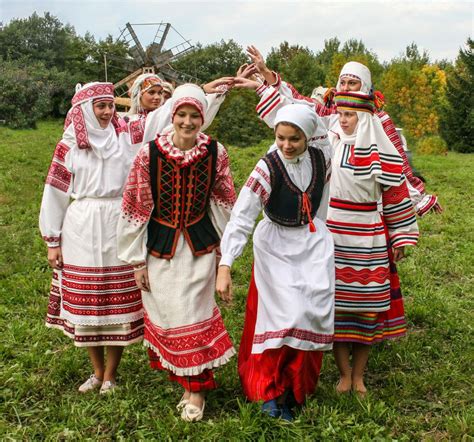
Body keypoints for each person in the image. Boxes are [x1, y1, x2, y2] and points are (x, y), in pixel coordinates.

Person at [117, 83, 237, 422]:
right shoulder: (149, 154)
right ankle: (186, 381)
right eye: (181, 115)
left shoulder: (216, 152)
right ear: (172, 116)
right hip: (161, 246)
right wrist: (136, 259)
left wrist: (225, 252)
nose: (187, 122)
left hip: (199, 244)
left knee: (193, 315)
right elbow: (136, 205)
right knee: (170, 314)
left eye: (194, 115)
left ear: (203, 117)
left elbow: (224, 200)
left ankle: (196, 391)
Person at [216, 104, 335, 421]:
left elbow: (321, 204)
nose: (286, 145)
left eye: (294, 138)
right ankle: (268, 390)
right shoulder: (267, 167)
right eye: (280, 138)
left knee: (308, 314)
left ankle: (295, 388)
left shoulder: (321, 159)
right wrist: (226, 263)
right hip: (276, 246)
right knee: (280, 318)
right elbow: (241, 216)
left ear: (308, 136)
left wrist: (318, 236)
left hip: (310, 242)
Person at [245, 46, 442, 217]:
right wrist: (265, 72)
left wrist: (418, 198)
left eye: (352, 83)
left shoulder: (379, 120)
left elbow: (398, 164)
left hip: (368, 205)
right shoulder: (332, 116)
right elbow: (297, 102)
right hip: (333, 201)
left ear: (364, 86)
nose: (346, 88)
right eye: (343, 82)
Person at [40, 82, 143, 394]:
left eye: (111, 105)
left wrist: (207, 93)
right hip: (82, 224)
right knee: (89, 307)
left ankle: (111, 374)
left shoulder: (124, 136)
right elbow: (55, 192)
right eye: (100, 106)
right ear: (86, 108)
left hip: (117, 221)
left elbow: (165, 117)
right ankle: (96, 372)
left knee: (116, 305)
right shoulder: (69, 146)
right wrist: (52, 241)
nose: (107, 111)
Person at [326, 91, 419, 396]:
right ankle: (343, 373)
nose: (343, 119)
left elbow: (394, 195)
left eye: (350, 115)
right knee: (338, 307)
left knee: (367, 307)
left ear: (364, 118)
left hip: (369, 234)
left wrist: (401, 235)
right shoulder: (329, 144)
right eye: (340, 113)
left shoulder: (382, 152)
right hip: (335, 233)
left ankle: (359, 376)